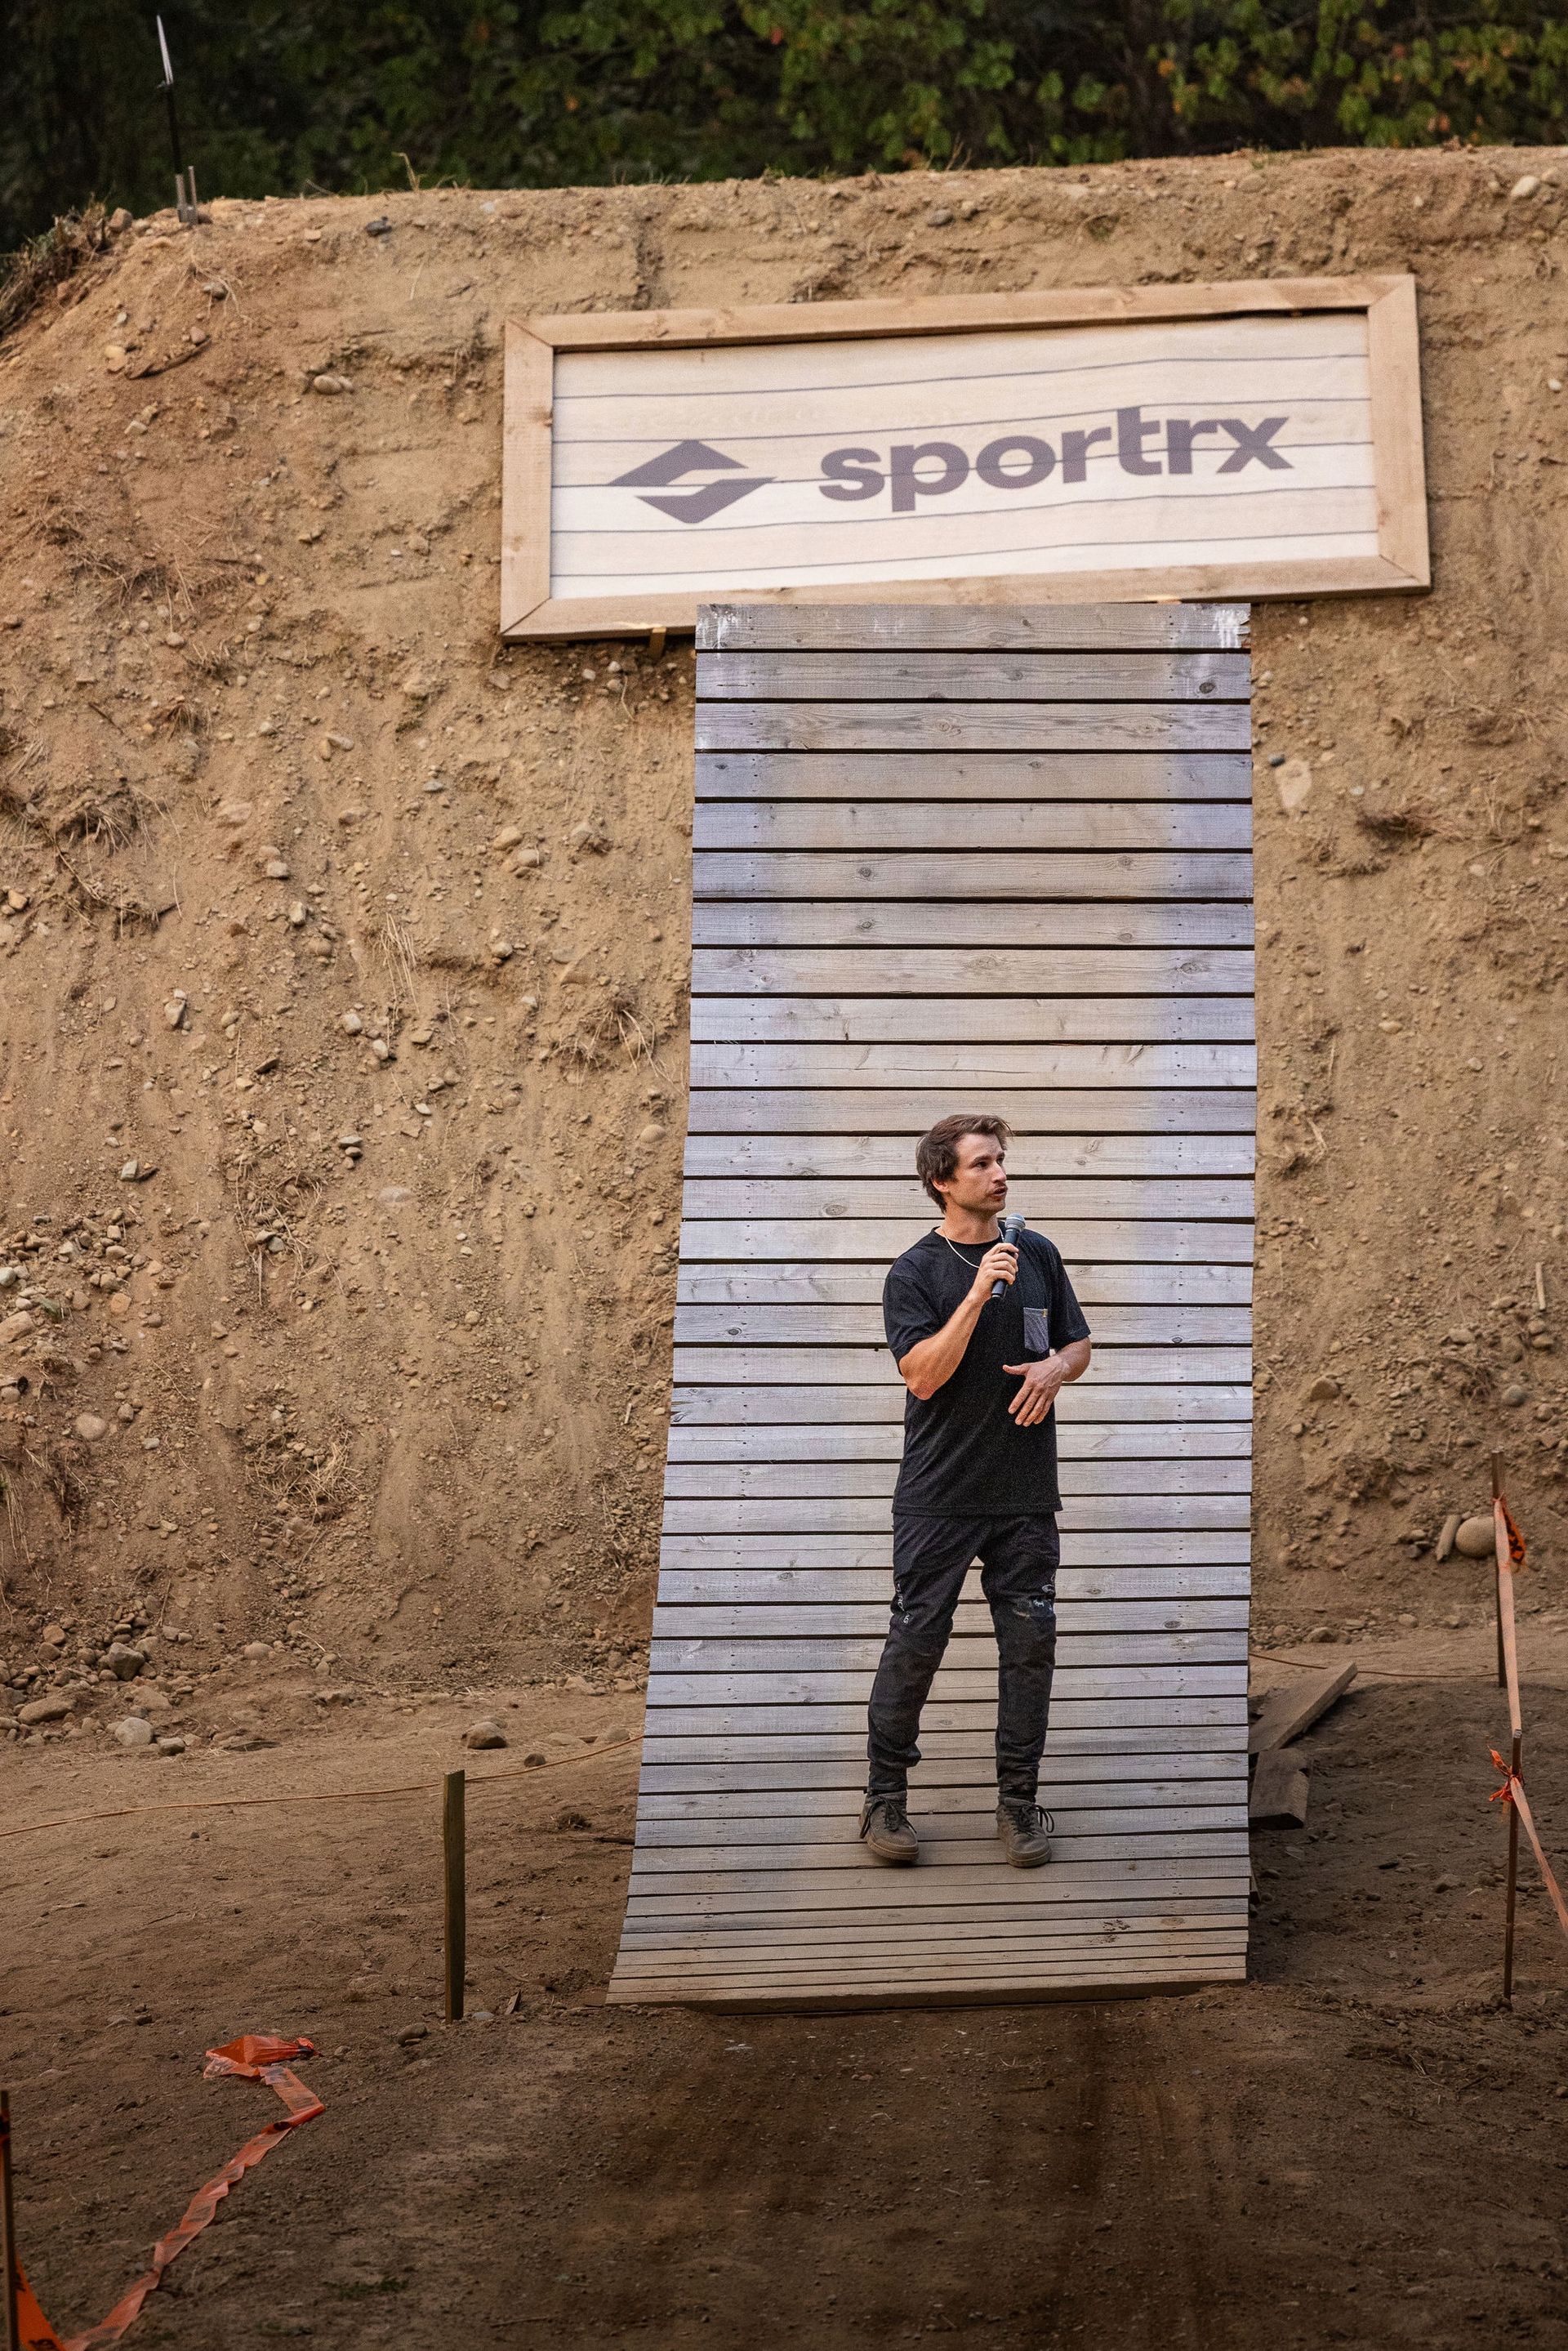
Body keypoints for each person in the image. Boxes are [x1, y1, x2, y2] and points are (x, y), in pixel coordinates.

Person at [859, 1113, 1093, 1869]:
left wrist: (1060, 1367)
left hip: (1025, 1496)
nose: (1000, 1174)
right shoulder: (914, 1273)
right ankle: (884, 1799)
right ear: (942, 1181)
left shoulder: (1040, 1253)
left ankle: (1019, 1806)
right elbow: (921, 1374)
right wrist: (978, 1292)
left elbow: (1076, 1341)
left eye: (1001, 1162)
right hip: (939, 1497)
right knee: (915, 1643)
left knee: (1030, 1649)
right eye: (983, 1164)